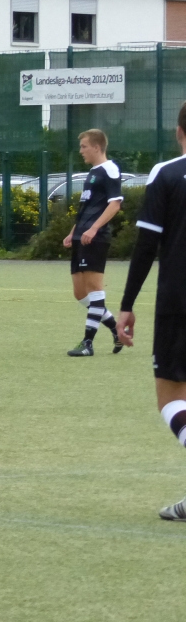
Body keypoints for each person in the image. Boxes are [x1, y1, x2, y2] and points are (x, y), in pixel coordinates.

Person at [116, 102, 186, 521]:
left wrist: (126, 305)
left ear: (179, 132)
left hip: (178, 300)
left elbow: (146, 246)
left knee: (171, 396)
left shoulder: (167, 173)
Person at [63, 129, 125, 357]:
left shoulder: (110, 169)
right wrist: (73, 232)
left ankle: (88, 343)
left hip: (95, 238)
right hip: (81, 236)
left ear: (97, 147)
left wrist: (94, 228)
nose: (81, 151)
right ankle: (116, 329)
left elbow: (115, 204)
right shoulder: (92, 172)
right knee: (80, 294)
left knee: (95, 289)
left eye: (84, 146)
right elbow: (86, 207)